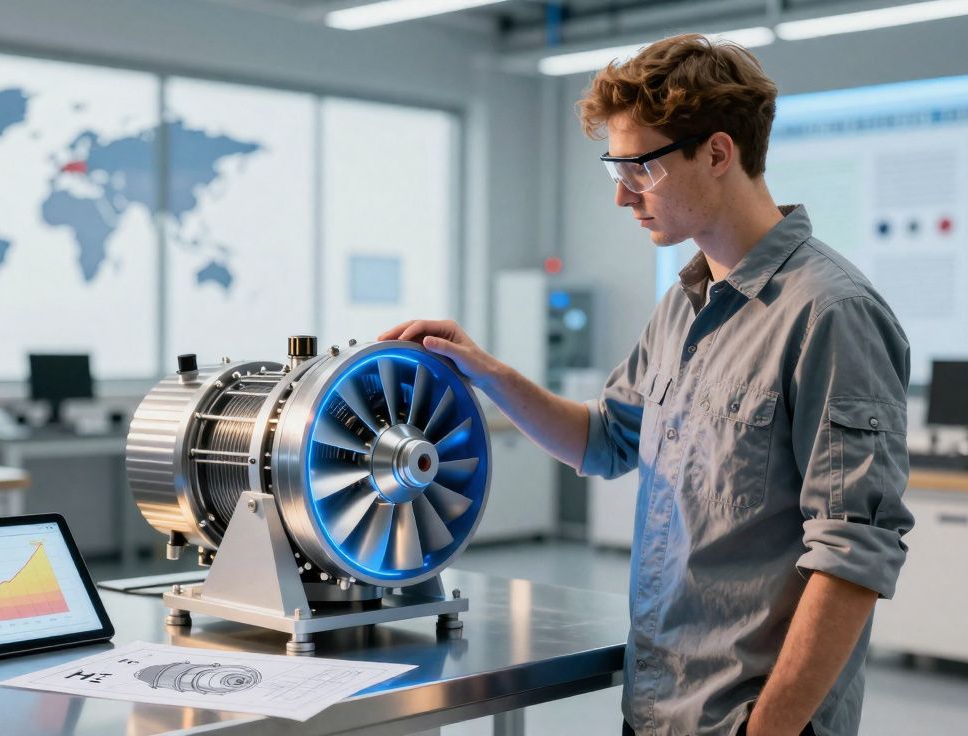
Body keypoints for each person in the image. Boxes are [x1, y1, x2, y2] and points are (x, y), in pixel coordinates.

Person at [379, 33, 913, 736]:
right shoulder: (682, 306)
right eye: (615, 168)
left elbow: (852, 555)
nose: (624, 196)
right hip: (657, 707)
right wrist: (489, 374)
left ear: (718, 153)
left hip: (750, 720)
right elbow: (603, 441)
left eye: (641, 168)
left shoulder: (831, 313)